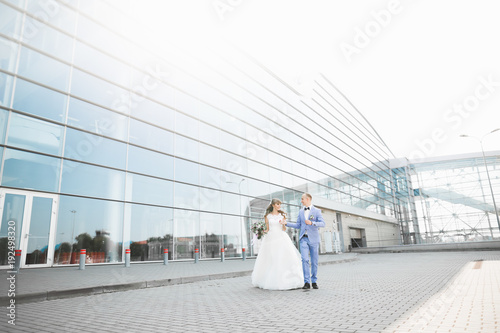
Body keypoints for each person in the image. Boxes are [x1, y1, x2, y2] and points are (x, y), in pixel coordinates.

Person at [251, 198, 304, 290]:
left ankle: (286, 280)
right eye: (278, 204)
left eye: (280, 204)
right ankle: (270, 280)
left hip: (281, 237)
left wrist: (283, 223)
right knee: (271, 259)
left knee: (282, 257)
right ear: (273, 205)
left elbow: (284, 229)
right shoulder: (267, 216)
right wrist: (260, 231)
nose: (279, 206)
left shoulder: (282, 215)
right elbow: (267, 229)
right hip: (270, 239)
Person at [285, 193, 325, 289]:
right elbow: (298, 225)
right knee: (305, 259)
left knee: (314, 261)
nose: (301, 201)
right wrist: (286, 223)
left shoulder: (317, 211)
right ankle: (306, 282)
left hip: (314, 239)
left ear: (308, 199)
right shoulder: (300, 212)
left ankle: (314, 281)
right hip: (303, 238)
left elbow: (322, 223)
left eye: (302, 199)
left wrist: (312, 223)